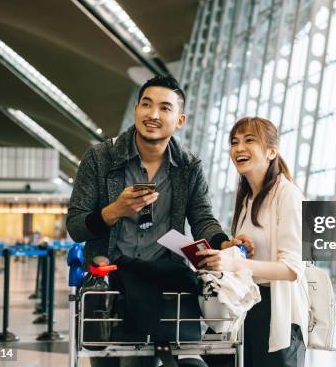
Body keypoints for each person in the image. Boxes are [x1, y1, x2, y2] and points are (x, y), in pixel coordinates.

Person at [67, 75, 251, 367]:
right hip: (112, 285)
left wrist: (224, 243)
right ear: (137, 110)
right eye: (146, 104)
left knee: (181, 359)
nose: (153, 114)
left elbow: (202, 218)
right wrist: (114, 211)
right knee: (118, 362)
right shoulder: (100, 158)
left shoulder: (189, 167)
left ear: (180, 120)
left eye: (165, 108)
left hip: (168, 283)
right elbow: (75, 226)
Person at [196, 117, 309, 367]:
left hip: (276, 313)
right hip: (249, 307)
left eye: (249, 140)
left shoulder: (288, 195)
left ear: (271, 151)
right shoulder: (247, 199)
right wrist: (235, 250)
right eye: (234, 142)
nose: (238, 148)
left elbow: (292, 270)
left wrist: (236, 264)